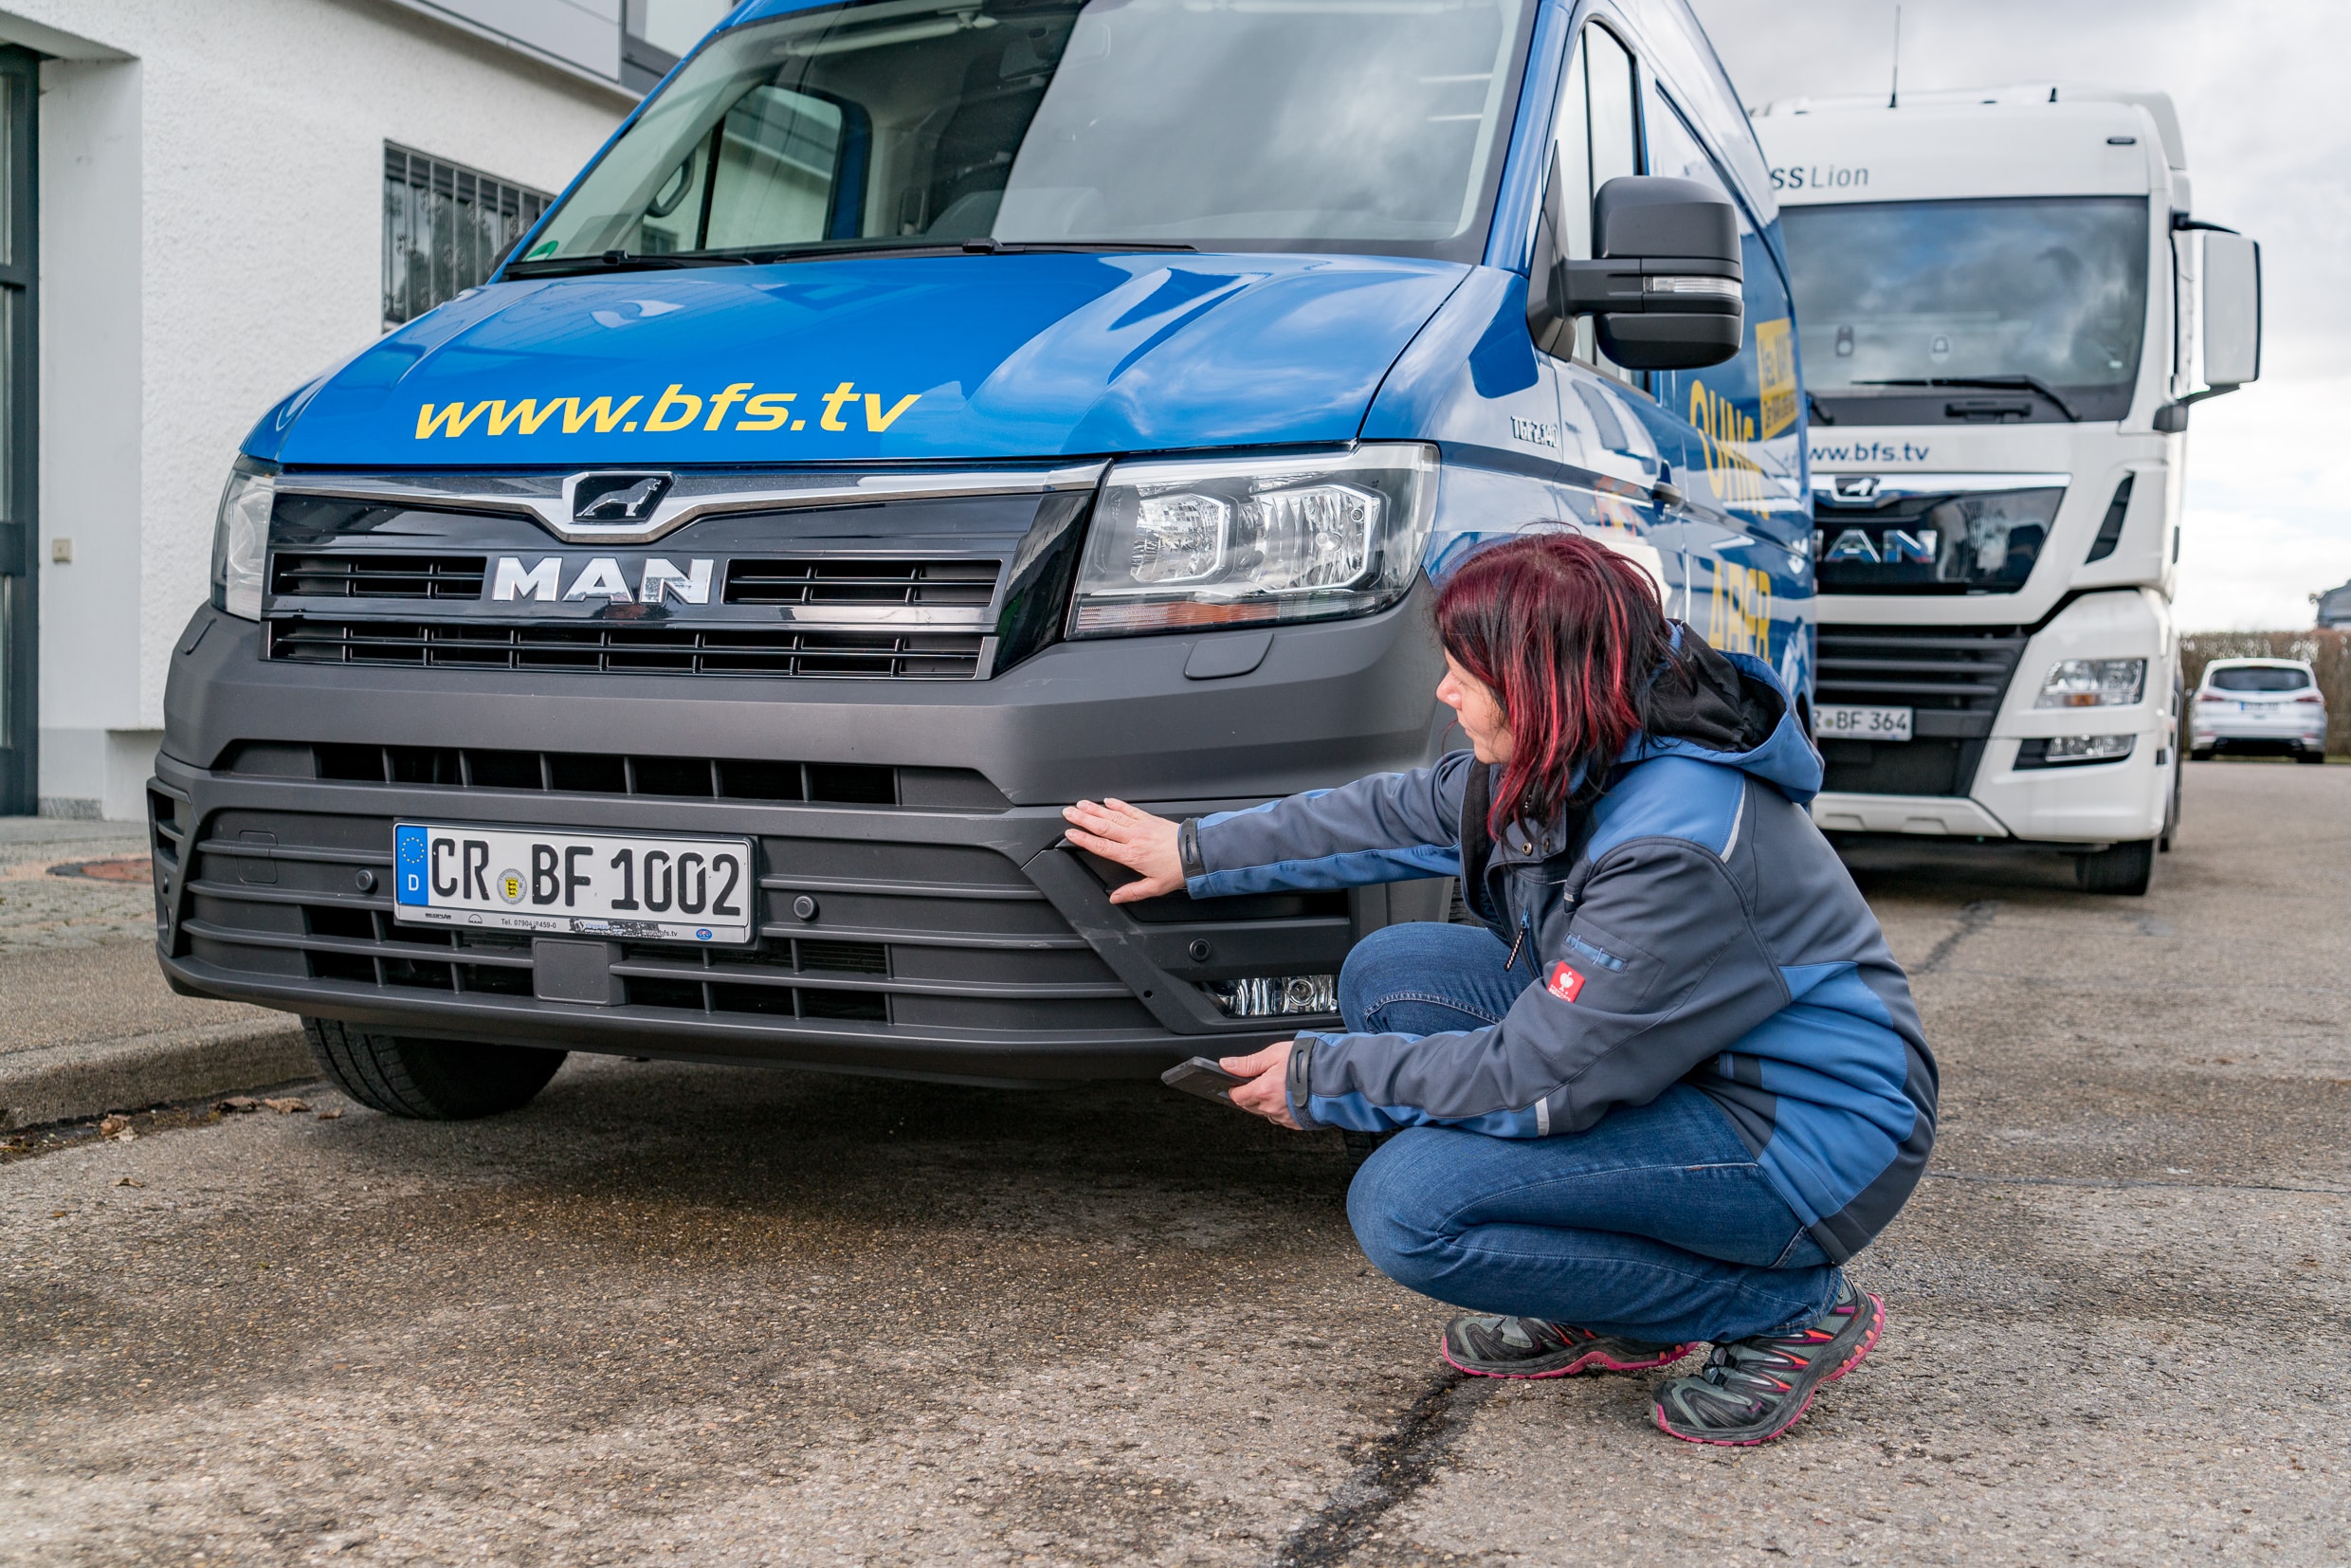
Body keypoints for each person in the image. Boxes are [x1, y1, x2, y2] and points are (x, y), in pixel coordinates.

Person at [1064, 532, 1936, 1446]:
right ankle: (1600, 1290)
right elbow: (1392, 812)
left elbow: (1541, 1075)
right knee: (1393, 971)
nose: (1446, 692)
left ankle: (1779, 1306)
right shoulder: (1579, 744)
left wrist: (1328, 1079)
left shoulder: (1674, 847)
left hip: (1800, 1133)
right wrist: (1192, 852)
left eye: (1462, 675)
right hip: (1681, 1061)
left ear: (1538, 686)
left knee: (1409, 1208)